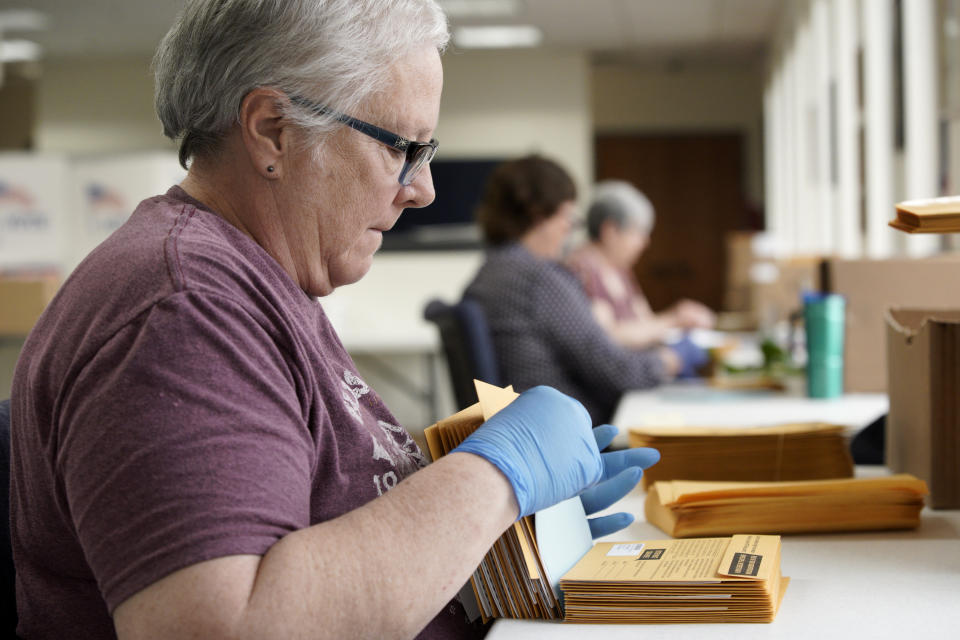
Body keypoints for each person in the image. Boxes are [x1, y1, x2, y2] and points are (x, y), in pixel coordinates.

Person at [8, 2, 660, 639]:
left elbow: (321, 520)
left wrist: (475, 541)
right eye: (401, 146)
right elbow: (229, 625)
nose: (422, 188)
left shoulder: (256, 277)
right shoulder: (187, 307)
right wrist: (492, 481)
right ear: (272, 130)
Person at [463, 155, 683, 425]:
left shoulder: (488, 274)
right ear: (539, 214)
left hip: (521, 431)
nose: (569, 229)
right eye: (567, 217)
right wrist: (675, 358)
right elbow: (616, 371)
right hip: (563, 433)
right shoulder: (539, 277)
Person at [565, 180, 716, 351]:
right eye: (638, 232)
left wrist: (680, 319)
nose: (645, 242)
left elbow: (645, 322)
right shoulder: (580, 270)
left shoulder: (620, 270)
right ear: (610, 230)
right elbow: (606, 337)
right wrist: (673, 319)